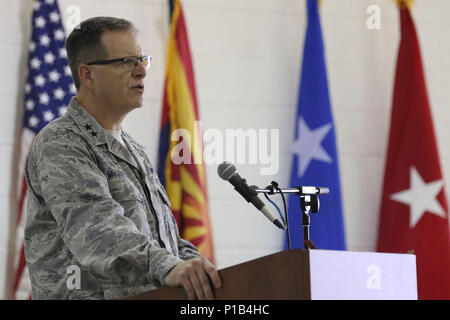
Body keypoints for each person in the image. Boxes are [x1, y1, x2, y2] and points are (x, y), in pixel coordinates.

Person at [24, 16, 221, 300]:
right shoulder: (60, 144)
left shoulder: (134, 151)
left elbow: (166, 244)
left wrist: (201, 269)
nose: (141, 71)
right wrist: (171, 267)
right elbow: (98, 233)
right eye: (127, 61)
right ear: (87, 75)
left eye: (143, 60)